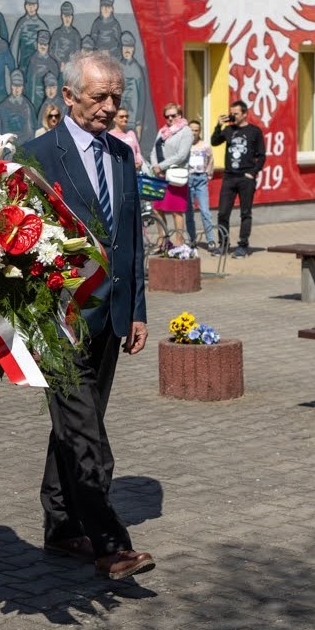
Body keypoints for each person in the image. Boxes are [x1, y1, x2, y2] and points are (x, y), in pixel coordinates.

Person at [20, 50, 154, 581]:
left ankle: (60, 523)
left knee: (79, 424)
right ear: (68, 96)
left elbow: (132, 240)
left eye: (116, 97)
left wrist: (137, 309)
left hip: (109, 319)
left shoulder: (122, 155)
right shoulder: (37, 156)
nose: (110, 107)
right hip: (60, 319)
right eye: (99, 96)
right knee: (86, 434)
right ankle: (109, 543)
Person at [211, 100, 265, 258]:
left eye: (236, 114)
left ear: (244, 114)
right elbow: (214, 142)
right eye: (231, 113)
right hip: (229, 177)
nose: (232, 116)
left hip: (245, 177)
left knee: (245, 213)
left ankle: (243, 245)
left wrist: (253, 173)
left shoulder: (254, 131)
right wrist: (217, 126)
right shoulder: (228, 129)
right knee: (222, 213)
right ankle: (223, 244)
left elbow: (261, 156)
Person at [150, 103, 192, 248]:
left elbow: (181, 155)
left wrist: (161, 166)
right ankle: (163, 240)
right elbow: (153, 151)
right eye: (167, 116)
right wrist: (155, 167)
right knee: (156, 208)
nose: (170, 119)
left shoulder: (185, 131)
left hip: (175, 176)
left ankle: (179, 243)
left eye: (173, 115)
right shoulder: (163, 131)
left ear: (179, 115)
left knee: (176, 211)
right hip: (160, 176)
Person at [184, 119, 219, 253]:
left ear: (199, 132)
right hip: (188, 180)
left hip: (201, 180)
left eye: (196, 130)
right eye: (191, 130)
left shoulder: (205, 146)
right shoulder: (185, 145)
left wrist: (208, 174)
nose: (193, 133)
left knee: (205, 211)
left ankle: (210, 240)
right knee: (189, 212)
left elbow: (210, 159)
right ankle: (192, 240)